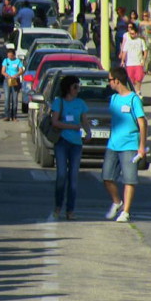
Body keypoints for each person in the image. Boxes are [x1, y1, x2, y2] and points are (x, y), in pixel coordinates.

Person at [102, 67, 147, 223]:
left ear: (117, 81)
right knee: (107, 177)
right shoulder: (113, 99)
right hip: (113, 144)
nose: (109, 83)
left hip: (129, 145)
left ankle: (126, 211)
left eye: (109, 80)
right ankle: (117, 202)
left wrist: (141, 146)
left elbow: (142, 123)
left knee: (129, 179)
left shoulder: (133, 99)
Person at [50, 75, 91, 220]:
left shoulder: (80, 103)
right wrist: (71, 126)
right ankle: (58, 206)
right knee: (61, 175)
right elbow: (55, 122)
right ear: (68, 88)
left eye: (78, 87)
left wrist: (88, 132)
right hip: (62, 141)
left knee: (73, 178)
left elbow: (84, 120)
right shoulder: (59, 102)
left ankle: (70, 209)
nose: (77, 89)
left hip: (76, 144)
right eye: (75, 87)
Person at [120, 24, 148, 95]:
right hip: (129, 64)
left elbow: (145, 51)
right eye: (130, 34)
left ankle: (138, 91)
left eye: (132, 34)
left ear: (136, 33)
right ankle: (131, 92)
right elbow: (124, 52)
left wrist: (143, 60)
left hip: (138, 63)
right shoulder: (128, 42)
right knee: (130, 80)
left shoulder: (141, 41)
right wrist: (122, 61)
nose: (131, 35)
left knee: (139, 78)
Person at [0, 49, 24, 121]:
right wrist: (7, 75)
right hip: (7, 80)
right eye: (8, 55)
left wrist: (16, 75)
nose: (10, 56)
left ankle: (14, 116)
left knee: (14, 98)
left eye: (11, 55)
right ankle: (7, 115)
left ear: (14, 55)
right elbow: (3, 71)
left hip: (15, 80)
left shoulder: (18, 61)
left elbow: (21, 70)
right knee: (7, 98)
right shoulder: (6, 61)